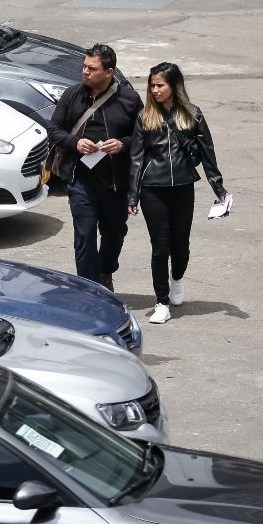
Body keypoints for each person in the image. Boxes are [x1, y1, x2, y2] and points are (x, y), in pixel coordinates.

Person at [128, 62, 228, 324]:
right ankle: (161, 301)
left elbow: (208, 153)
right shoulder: (144, 116)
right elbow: (136, 158)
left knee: (180, 245)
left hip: (183, 188)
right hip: (153, 189)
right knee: (160, 247)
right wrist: (132, 196)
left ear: (174, 86)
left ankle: (177, 279)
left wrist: (218, 188)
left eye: (160, 85)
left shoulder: (193, 115)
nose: (155, 89)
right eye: (152, 85)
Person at [47, 44, 142, 290]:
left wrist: (122, 144)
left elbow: (144, 137)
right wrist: (76, 143)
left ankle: (105, 271)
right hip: (81, 181)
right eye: (84, 66)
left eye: (92, 68)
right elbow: (54, 131)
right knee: (85, 235)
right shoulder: (72, 95)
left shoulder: (129, 100)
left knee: (114, 234)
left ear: (109, 72)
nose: (85, 72)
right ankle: (91, 289)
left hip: (115, 183)